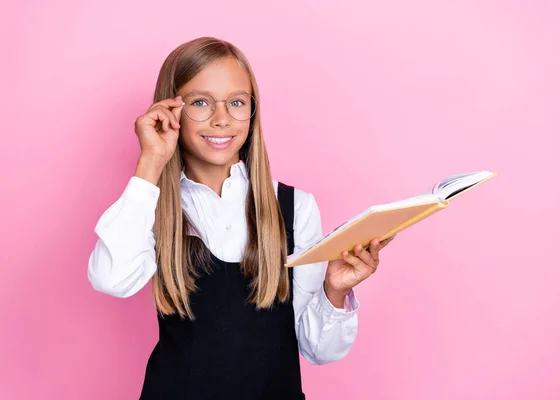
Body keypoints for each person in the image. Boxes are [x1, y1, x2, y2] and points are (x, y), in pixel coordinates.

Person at [87, 37, 395, 400]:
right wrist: (150, 163)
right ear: (170, 110)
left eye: (236, 103)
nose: (221, 119)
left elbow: (319, 350)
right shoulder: (150, 205)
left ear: (252, 111)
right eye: (200, 102)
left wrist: (335, 290)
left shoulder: (295, 208)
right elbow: (111, 280)